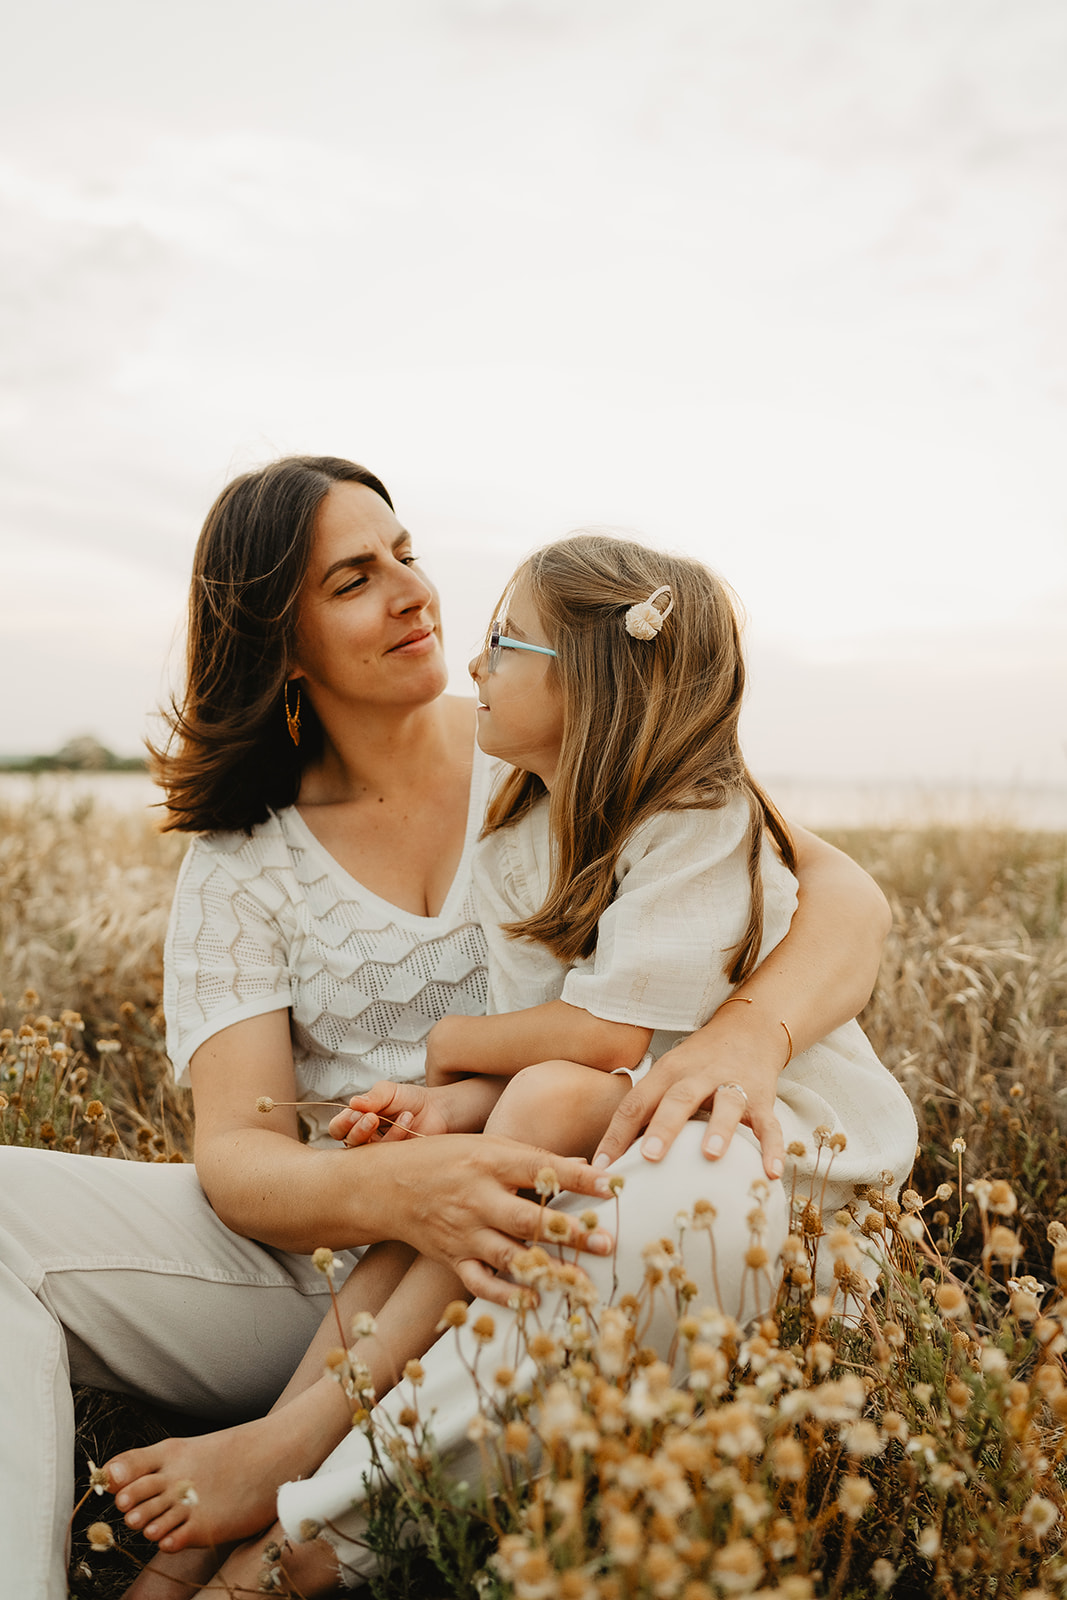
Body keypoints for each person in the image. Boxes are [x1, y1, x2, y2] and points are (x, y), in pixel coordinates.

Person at [0, 456, 905, 1600]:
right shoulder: (241, 862)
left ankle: (287, 1552)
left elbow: (842, 898)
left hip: (559, 1217)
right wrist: (411, 1188)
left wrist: (748, 1034)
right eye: (352, 580)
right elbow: (236, 1155)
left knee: (690, 1193)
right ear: (279, 641)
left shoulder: (554, 733)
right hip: (335, 1260)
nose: (412, 592)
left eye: (407, 553)